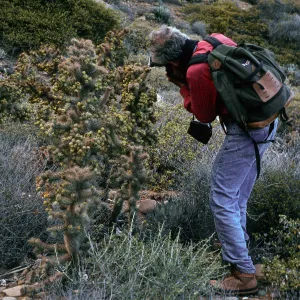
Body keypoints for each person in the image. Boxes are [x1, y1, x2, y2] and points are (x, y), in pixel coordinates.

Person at [149, 25, 278, 295]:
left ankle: (244, 275)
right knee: (237, 197)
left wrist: (185, 88)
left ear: (172, 61)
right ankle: (239, 251)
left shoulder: (195, 71)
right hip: (267, 117)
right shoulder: (213, 40)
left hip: (247, 131)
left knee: (222, 197)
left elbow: (203, 115)